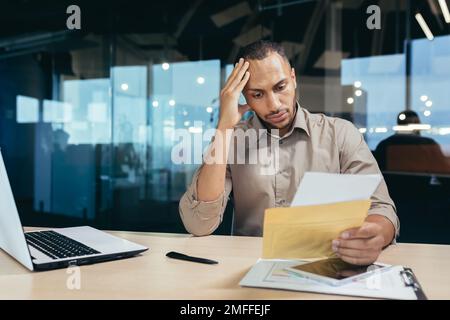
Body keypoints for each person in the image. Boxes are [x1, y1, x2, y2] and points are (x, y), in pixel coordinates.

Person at [179, 40, 399, 265]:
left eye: (280, 87)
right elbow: (199, 223)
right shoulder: (232, 141)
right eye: (257, 94)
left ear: (293, 78)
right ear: (244, 97)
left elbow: (381, 207)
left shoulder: (340, 134)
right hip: (249, 265)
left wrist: (375, 235)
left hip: (326, 263)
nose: (273, 105)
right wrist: (224, 127)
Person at [375, 110, 450, 173]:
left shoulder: (384, 145)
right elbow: (444, 171)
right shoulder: (428, 144)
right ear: (417, 124)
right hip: (424, 188)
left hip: (391, 188)